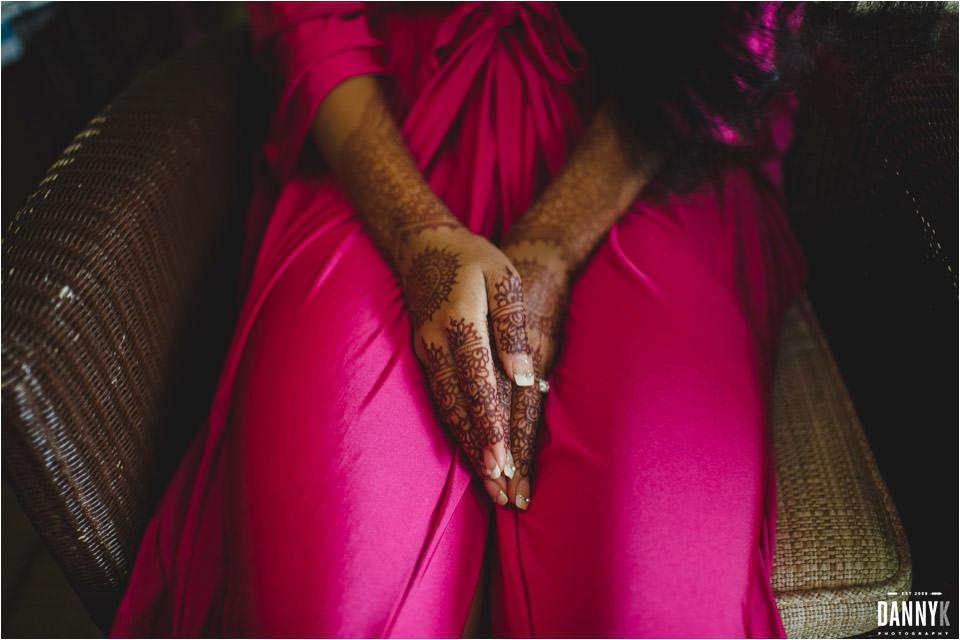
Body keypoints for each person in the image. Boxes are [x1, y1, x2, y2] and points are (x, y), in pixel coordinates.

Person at [110, 2, 806, 636]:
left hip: (646, 139)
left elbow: (735, 25)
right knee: (324, 613)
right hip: (386, 126)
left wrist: (554, 239)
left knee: (653, 612)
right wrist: (417, 235)